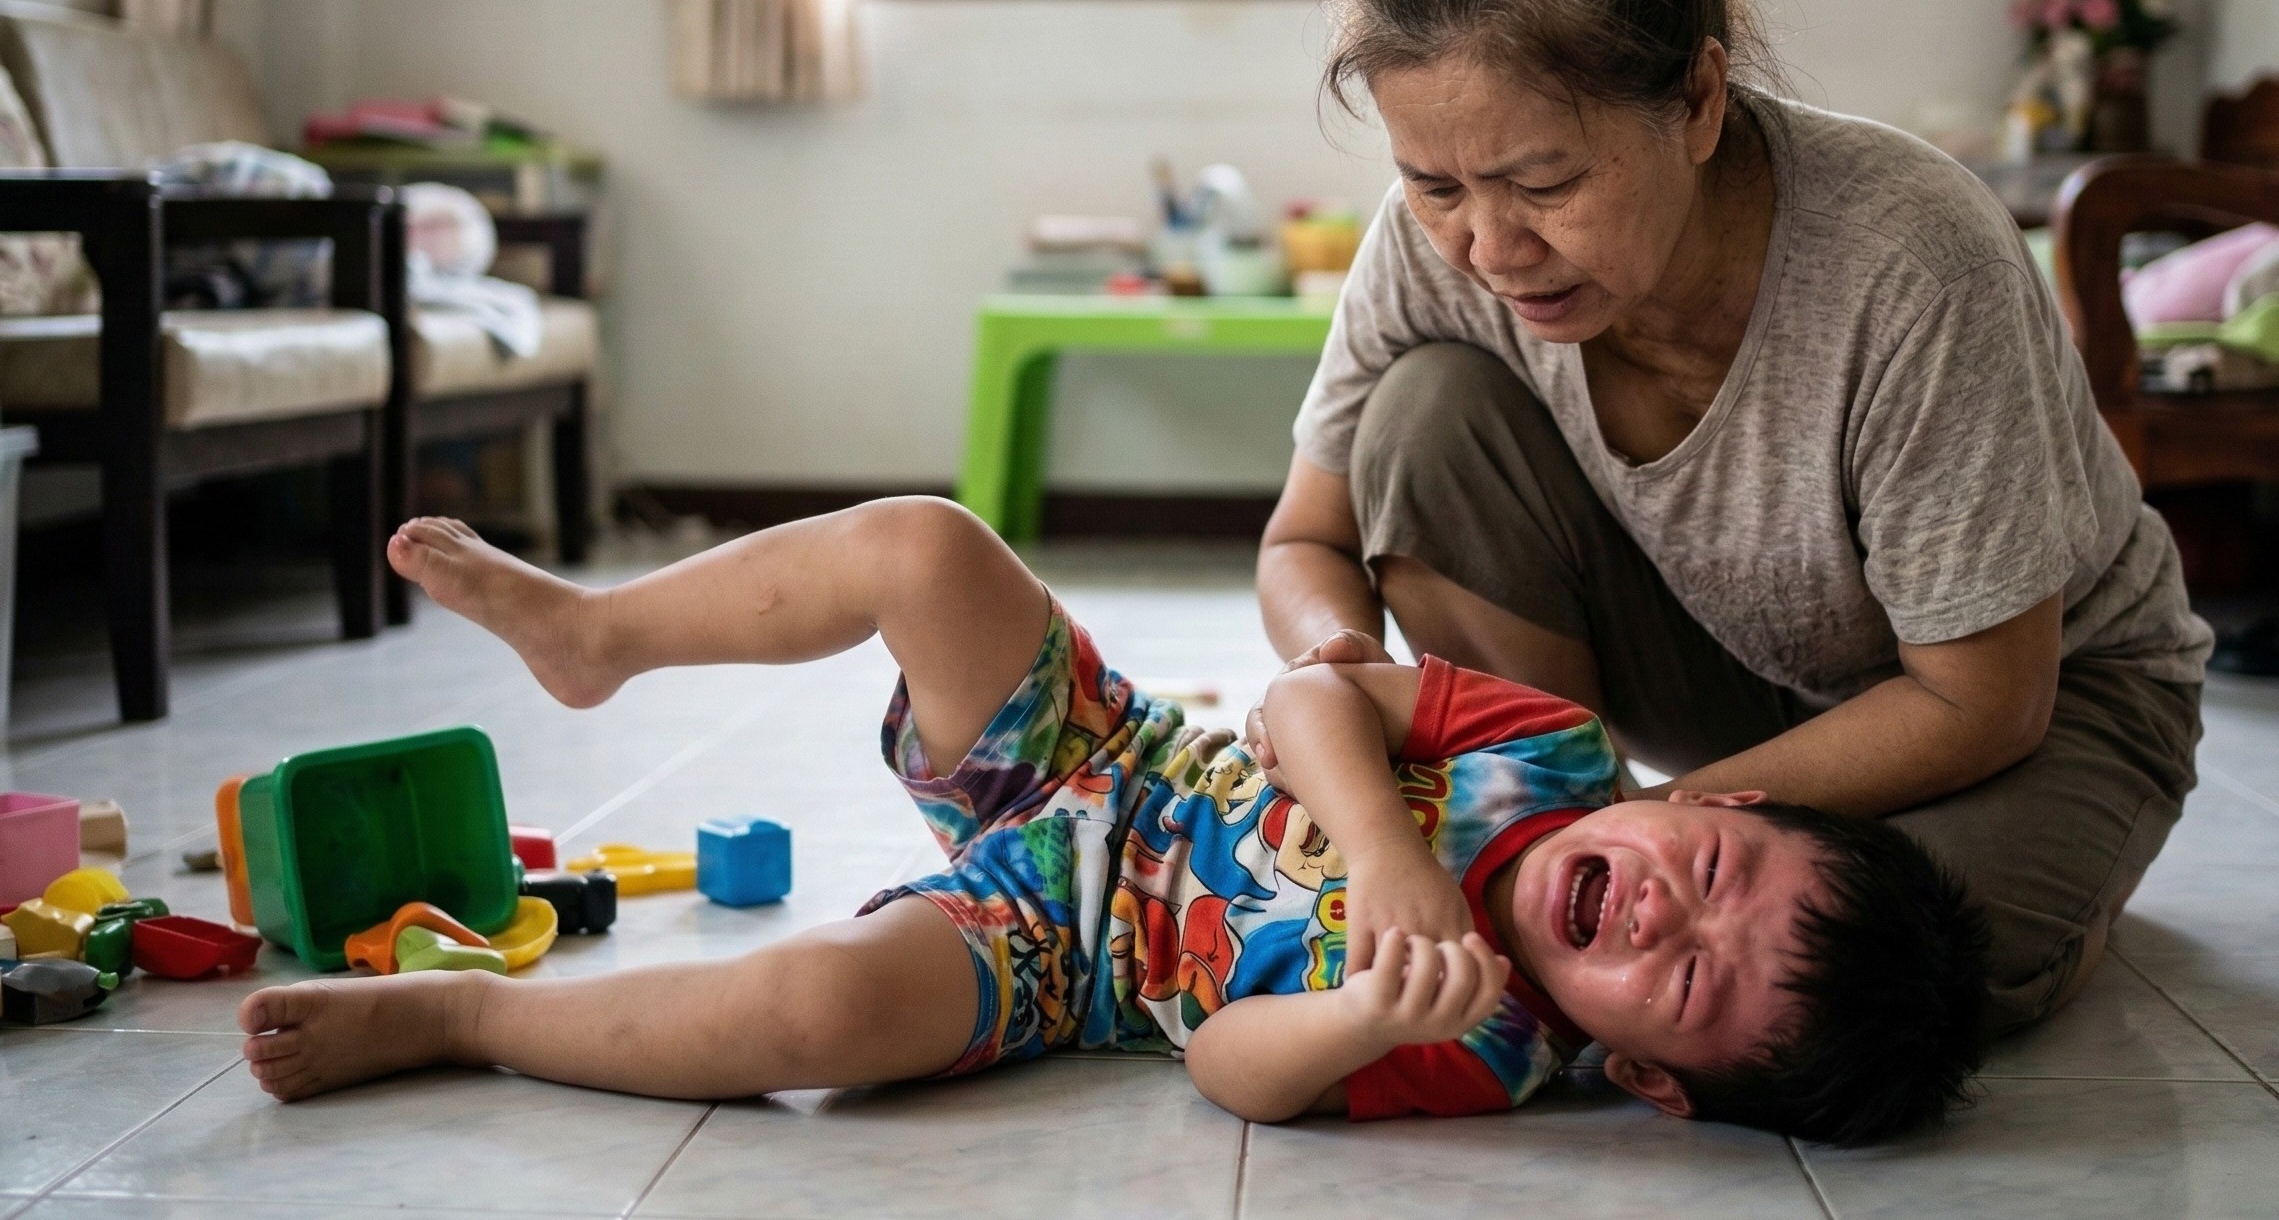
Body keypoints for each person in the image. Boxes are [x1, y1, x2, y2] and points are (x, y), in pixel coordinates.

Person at [1257, 0, 2211, 1037]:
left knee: (1855, 982)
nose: (1491, 245)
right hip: (1733, 666)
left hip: (2040, 702)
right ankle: (1560, 823)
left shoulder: (1910, 258)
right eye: (1436, 185)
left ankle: (2065, 881)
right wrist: (1334, 658)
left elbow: (1981, 700)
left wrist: (1666, 818)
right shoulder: (1440, 246)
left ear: (1700, 100)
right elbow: (1303, 541)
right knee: (1427, 411)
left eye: (1547, 182)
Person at [237, 505, 1987, 1146]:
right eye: (1719, 870)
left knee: (822, 1017)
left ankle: (467, 1017)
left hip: (1065, 955)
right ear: (1721, 798)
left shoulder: (1493, 1046)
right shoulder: (1559, 756)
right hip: (1114, 753)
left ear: (1651, 1076)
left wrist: (1357, 1013)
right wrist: (1388, 852)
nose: (1668, 912)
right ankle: (598, 632)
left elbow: (1224, 1064)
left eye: (1687, 983)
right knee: (927, 547)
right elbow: (1307, 699)